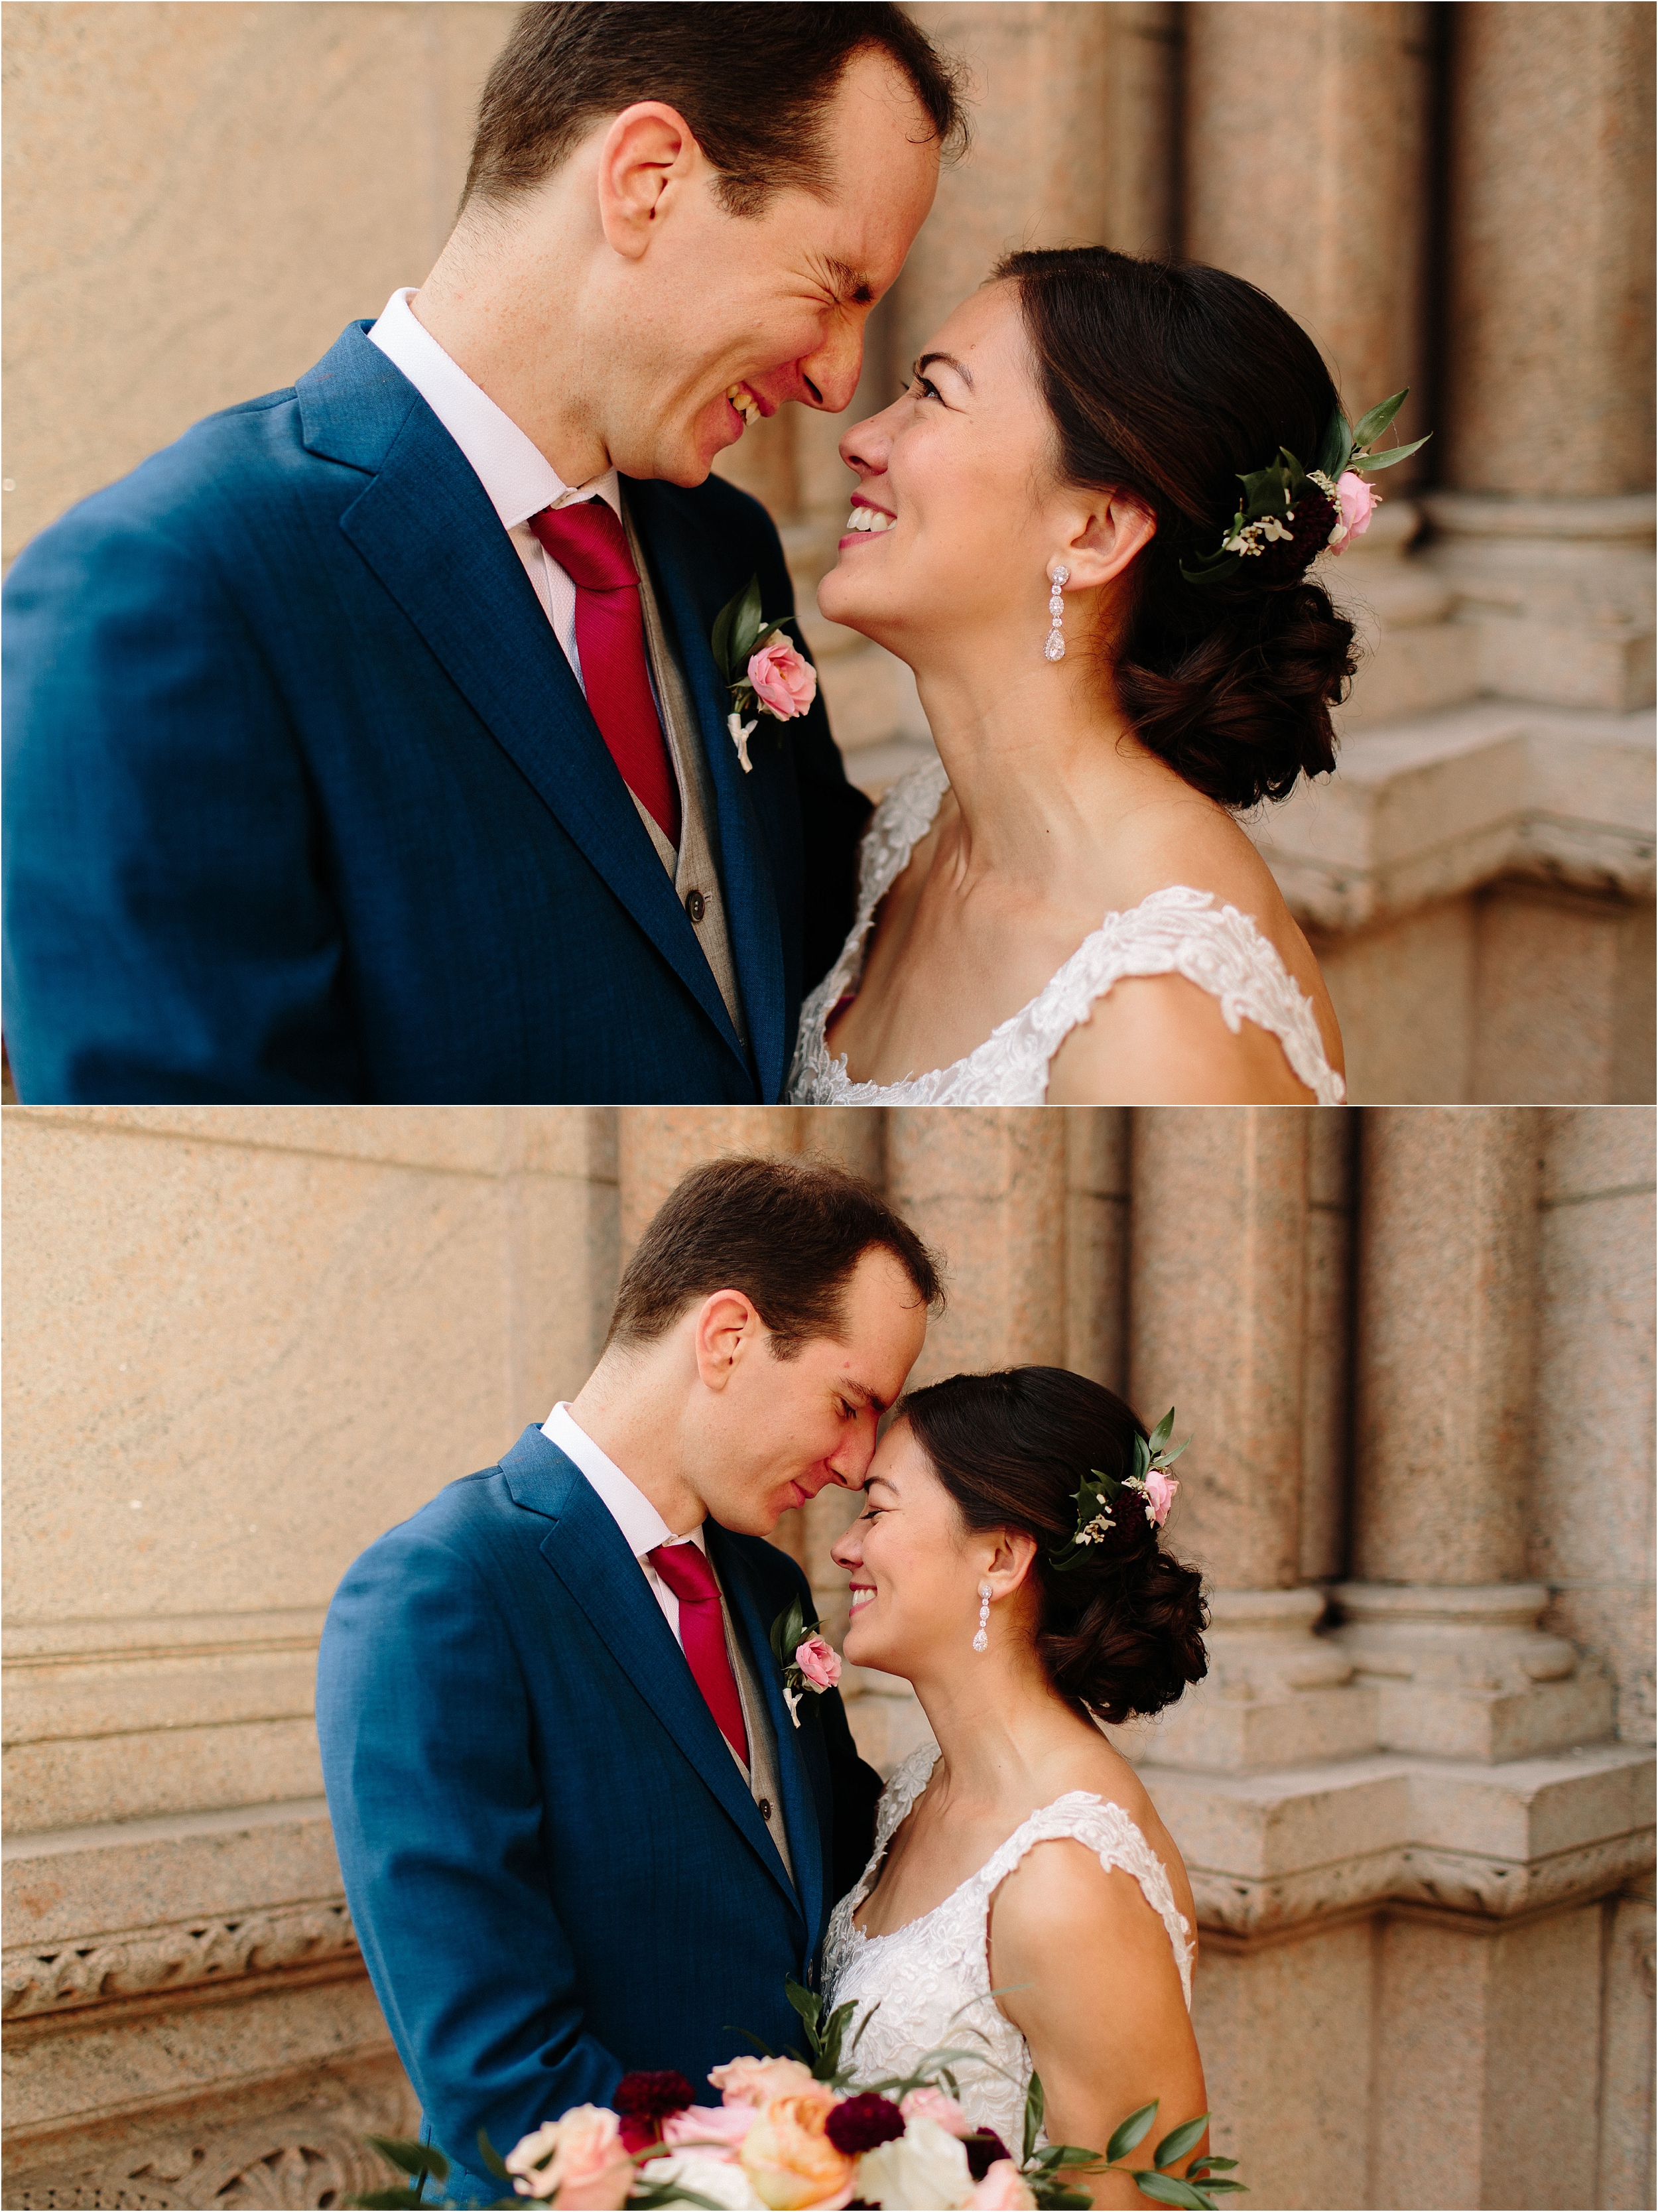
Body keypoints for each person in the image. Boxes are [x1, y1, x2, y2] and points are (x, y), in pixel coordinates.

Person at [2, 5, 960, 1104]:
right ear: (649, 178)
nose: (839, 382)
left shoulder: (723, 550)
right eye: (837, 286)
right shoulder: (163, 588)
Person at [316, 1154, 940, 2207]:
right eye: (849, 1400)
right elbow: (498, 2074)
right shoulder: (443, 1589)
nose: (856, 1458)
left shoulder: (768, 1583)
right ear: (727, 1335)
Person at [790, 247, 1377, 1106]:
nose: (861, 437)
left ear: (1097, 530)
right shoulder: (921, 832)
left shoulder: (1158, 1015)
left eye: (934, 394)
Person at [824, 1367, 1210, 2208]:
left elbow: (1142, 2196)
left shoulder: (1068, 1875)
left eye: (877, 1508)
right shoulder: (918, 1791)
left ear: (998, 1556)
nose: (844, 1546)